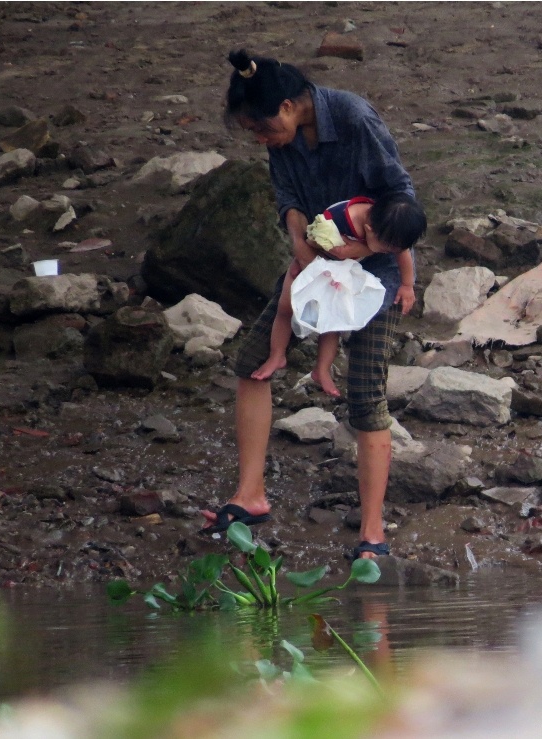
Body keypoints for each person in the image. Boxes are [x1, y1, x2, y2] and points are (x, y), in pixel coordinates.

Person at [201, 48, 422, 560]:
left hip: (375, 275)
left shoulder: (353, 118)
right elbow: (288, 198)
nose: (261, 140)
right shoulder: (283, 138)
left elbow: (402, 198)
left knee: (366, 398)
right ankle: (250, 495)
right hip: (317, 267)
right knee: (253, 361)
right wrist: (301, 245)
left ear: (286, 106)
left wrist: (365, 250)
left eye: (260, 130)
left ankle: (372, 535)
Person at [250, 192, 424, 399]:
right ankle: (277, 355)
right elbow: (311, 240)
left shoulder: (387, 228)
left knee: (333, 323)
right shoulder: (338, 219)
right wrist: (334, 250)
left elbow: (401, 252)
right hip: (313, 262)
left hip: (341, 272)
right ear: (369, 230)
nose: (390, 253)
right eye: (386, 249)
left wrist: (407, 285)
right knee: (285, 308)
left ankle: (321, 370)